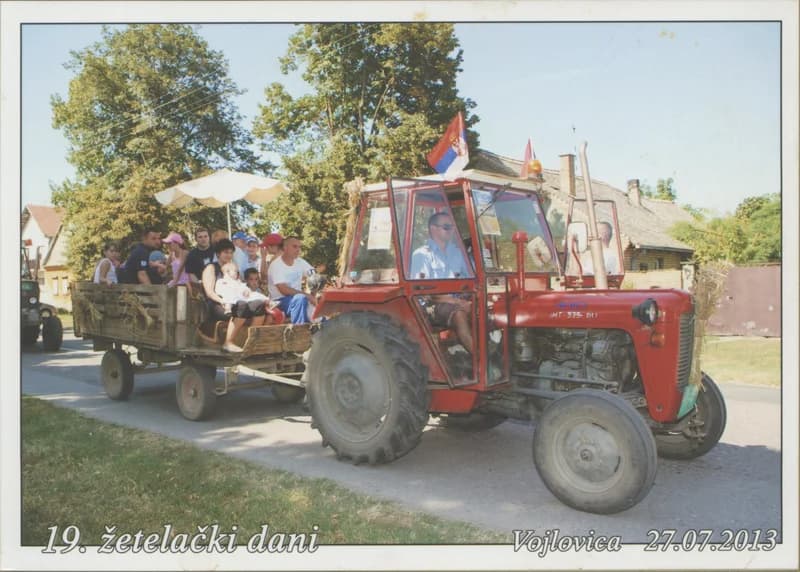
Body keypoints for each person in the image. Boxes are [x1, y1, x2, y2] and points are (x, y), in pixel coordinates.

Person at [409, 212, 474, 353]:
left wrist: (470, 299)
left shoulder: (457, 253)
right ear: (433, 229)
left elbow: (472, 279)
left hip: (457, 301)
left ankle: (493, 355)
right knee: (459, 314)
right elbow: (425, 292)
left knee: (488, 311)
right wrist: (458, 302)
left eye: (452, 227)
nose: (451, 230)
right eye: (446, 227)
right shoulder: (422, 255)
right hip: (432, 305)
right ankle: (481, 361)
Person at [202, 239, 267, 353]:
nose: (229, 255)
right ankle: (228, 342)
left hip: (236, 300)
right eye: (226, 252)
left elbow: (239, 287)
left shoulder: (233, 268)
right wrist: (223, 301)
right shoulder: (211, 268)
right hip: (218, 303)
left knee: (258, 305)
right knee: (241, 305)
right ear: (218, 254)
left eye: (231, 252)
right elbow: (209, 293)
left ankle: (251, 341)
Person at [267, 235, 318, 324]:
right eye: (294, 246)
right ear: (285, 248)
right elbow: (284, 290)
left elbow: (315, 276)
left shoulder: (300, 261)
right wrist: (308, 295)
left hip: (298, 299)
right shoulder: (276, 265)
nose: (298, 250)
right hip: (279, 301)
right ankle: (298, 330)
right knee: (300, 299)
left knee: (319, 315)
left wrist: (314, 294)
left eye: (299, 247)